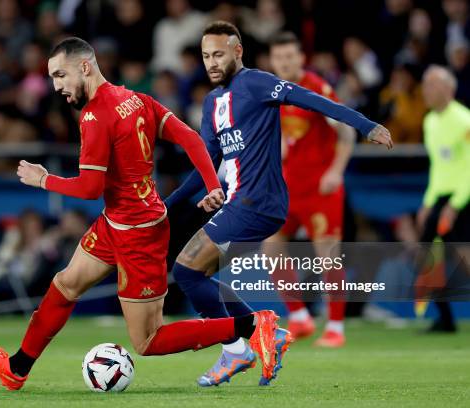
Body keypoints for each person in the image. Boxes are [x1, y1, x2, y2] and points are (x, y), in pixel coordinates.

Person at [0, 37, 291, 391]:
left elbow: (90, 188)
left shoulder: (94, 116)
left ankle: (253, 326)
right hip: (116, 222)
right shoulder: (135, 99)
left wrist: (44, 180)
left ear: (85, 67)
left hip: (139, 234)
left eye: (61, 75)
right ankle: (17, 368)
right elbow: (193, 140)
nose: (56, 86)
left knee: (148, 340)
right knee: (66, 284)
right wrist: (213, 185)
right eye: (52, 78)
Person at [164, 21, 393, 387]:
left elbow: (315, 100)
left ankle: (243, 346)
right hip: (239, 202)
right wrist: (170, 205)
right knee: (196, 273)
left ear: (238, 51)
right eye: (206, 56)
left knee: (187, 271)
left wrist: (366, 126)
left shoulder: (256, 83)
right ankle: (265, 332)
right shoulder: (212, 103)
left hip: (259, 202)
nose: (211, 62)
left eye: (219, 54)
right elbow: (206, 163)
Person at [264, 32, 356, 348]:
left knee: (328, 256)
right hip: (289, 188)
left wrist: (336, 171)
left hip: (321, 187)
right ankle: (300, 317)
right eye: (279, 57)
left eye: (290, 56)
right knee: (270, 247)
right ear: (272, 61)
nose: (285, 62)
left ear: (301, 58)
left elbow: (346, 131)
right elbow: (285, 138)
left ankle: (335, 328)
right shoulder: (274, 92)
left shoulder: (316, 89)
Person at [416, 65, 470, 332]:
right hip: (440, 195)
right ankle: (445, 318)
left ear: (449, 89)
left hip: (464, 195)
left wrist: (456, 204)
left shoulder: (464, 120)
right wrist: (429, 201)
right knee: (426, 257)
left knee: (465, 257)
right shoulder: (430, 121)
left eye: (432, 85)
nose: (426, 90)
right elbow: (438, 166)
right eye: (425, 85)